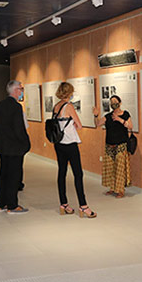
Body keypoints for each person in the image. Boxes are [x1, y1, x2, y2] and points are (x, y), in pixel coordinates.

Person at [53, 82, 96, 218]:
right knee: (78, 174)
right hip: (70, 144)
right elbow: (79, 125)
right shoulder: (69, 106)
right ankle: (83, 206)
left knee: (62, 172)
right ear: (69, 92)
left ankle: (63, 204)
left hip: (59, 144)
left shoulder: (56, 106)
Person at [0, 80, 30, 214]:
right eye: (20, 89)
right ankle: (12, 205)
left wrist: (3, 138)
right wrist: (26, 143)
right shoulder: (16, 107)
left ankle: (1, 204)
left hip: (3, 146)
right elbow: (19, 129)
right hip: (15, 148)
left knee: (3, 175)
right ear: (15, 91)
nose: (21, 91)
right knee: (14, 177)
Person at [93, 95, 132, 198]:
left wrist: (120, 119)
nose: (113, 103)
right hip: (109, 145)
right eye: (112, 102)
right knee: (110, 169)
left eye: (115, 101)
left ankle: (120, 190)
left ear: (120, 102)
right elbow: (98, 124)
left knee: (119, 169)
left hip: (121, 145)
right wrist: (96, 116)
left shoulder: (125, 114)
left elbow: (130, 126)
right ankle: (112, 188)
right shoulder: (108, 116)